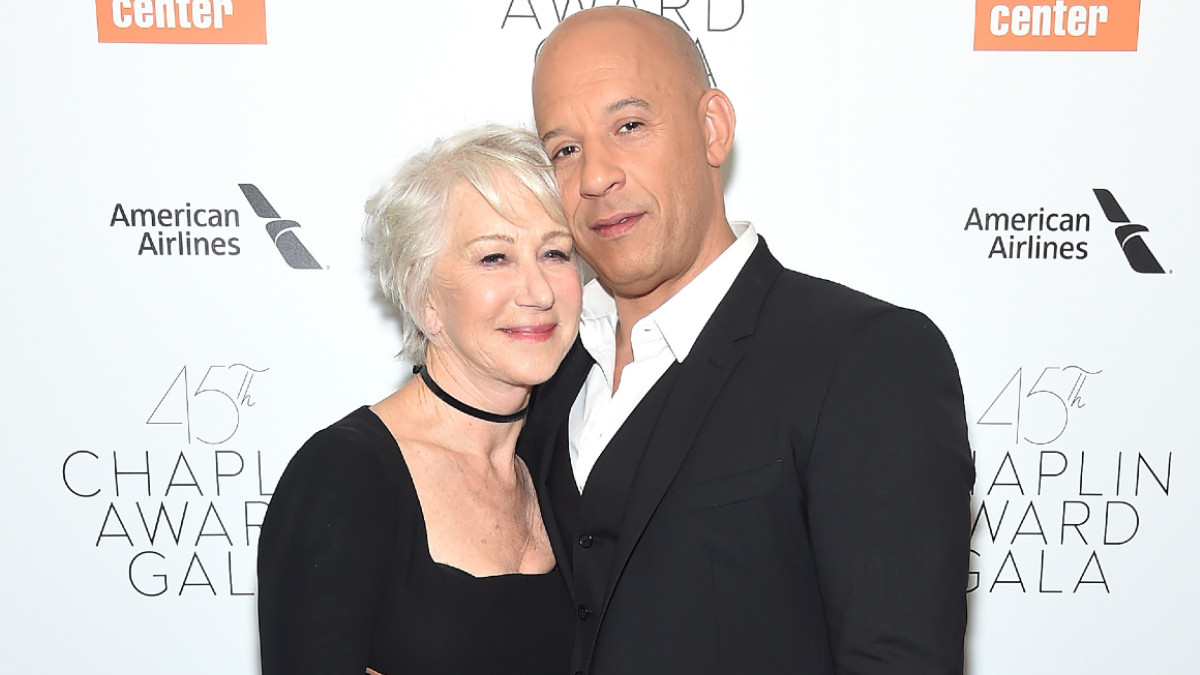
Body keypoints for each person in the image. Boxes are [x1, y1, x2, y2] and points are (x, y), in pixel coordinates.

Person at [518, 7, 975, 674]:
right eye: (565, 149)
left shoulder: (865, 358)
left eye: (629, 125)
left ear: (713, 128)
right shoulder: (538, 376)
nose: (595, 176)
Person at [257, 125, 582, 675]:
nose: (539, 291)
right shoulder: (346, 474)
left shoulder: (569, 459)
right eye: (494, 258)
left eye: (555, 253)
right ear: (423, 296)